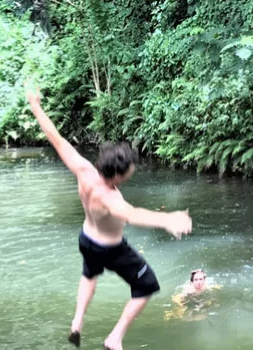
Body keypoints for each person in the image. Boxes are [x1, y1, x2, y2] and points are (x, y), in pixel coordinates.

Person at [24, 82, 192, 350]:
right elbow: (133, 215)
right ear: (117, 175)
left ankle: (77, 322)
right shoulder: (110, 198)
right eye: (129, 172)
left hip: (86, 238)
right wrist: (169, 219)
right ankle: (115, 338)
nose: (131, 173)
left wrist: (35, 104)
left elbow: (56, 138)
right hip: (111, 249)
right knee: (147, 285)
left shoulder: (84, 170)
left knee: (89, 275)